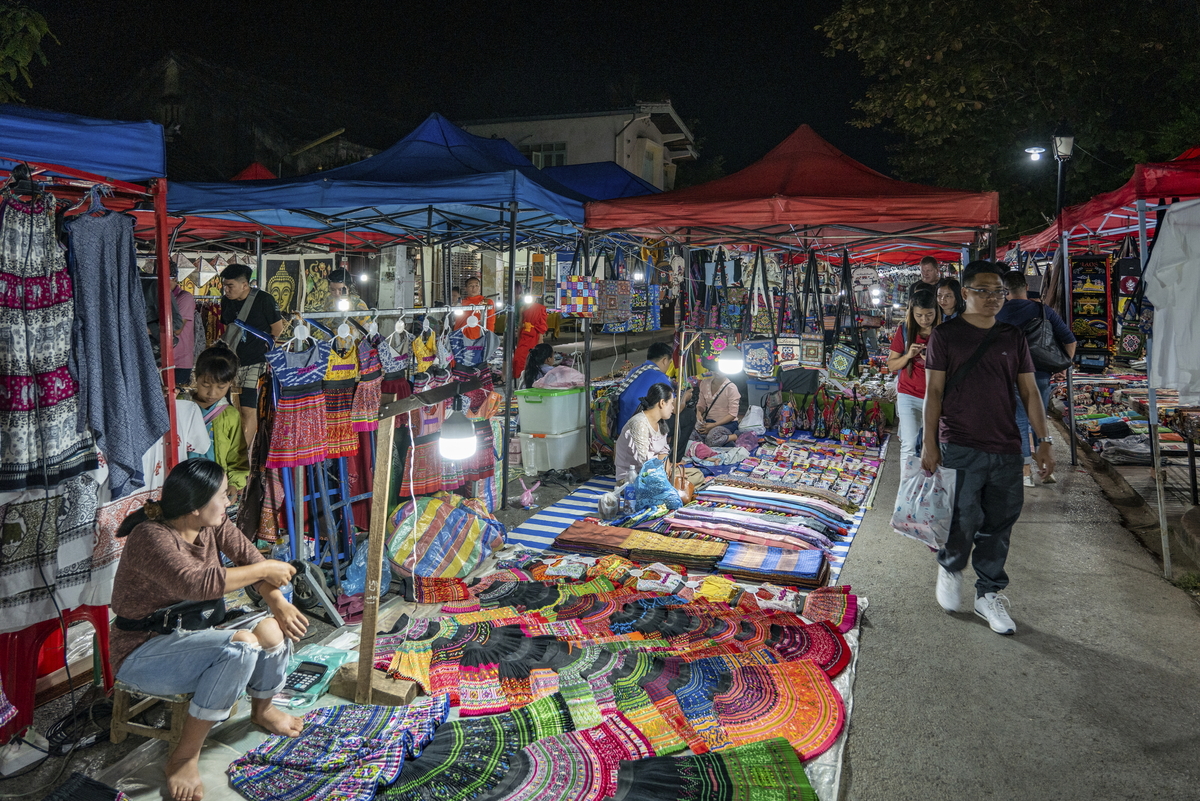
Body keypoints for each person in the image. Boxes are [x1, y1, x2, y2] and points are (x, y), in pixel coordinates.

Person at [109, 459, 309, 801]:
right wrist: (269, 568)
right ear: (195, 506)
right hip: (143, 650)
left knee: (273, 632)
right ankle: (184, 757)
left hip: (195, 633)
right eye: (222, 495)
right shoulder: (150, 537)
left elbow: (249, 560)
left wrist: (278, 603)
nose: (229, 501)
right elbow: (198, 584)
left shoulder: (213, 525)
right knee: (241, 646)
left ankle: (263, 711)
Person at [922, 260, 1055, 636]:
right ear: (965, 293)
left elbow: (1029, 391)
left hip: (1006, 445)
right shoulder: (945, 337)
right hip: (960, 442)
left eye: (998, 291)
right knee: (964, 518)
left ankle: (988, 593)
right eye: (982, 290)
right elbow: (934, 392)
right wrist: (930, 443)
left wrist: (1043, 442)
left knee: (999, 523)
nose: (992, 298)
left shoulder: (1012, 336)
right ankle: (950, 565)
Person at [996, 269, 1076, 486]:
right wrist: (1063, 365)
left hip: (1010, 374)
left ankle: (1025, 472)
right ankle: (1046, 469)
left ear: (1005, 291)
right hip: (1041, 373)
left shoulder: (998, 312)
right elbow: (1070, 340)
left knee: (1019, 419)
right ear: (1026, 288)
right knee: (1038, 417)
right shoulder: (1044, 310)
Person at [221, 263, 285, 449]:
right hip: (233, 361)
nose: (226, 289)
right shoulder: (225, 301)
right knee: (235, 407)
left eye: (230, 285)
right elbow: (228, 329)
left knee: (249, 408)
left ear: (245, 285)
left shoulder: (264, 300)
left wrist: (261, 350)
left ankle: (241, 453)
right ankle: (236, 445)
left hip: (256, 361)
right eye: (224, 285)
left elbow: (277, 330)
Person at [189, 347, 250, 499]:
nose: (212, 393)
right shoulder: (181, 406)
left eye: (221, 387)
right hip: (184, 483)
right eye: (206, 385)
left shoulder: (230, 415)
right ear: (196, 377)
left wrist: (234, 483)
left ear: (230, 383)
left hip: (215, 486)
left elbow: (237, 454)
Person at [887, 289, 939, 458]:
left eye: (929, 315)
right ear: (912, 313)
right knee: (909, 444)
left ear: (936, 311)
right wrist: (909, 356)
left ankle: (927, 482)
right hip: (908, 394)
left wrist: (932, 360)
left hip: (936, 396)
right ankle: (907, 485)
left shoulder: (945, 331)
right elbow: (891, 365)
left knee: (933, 445)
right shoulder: (904, 331)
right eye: (919, 315)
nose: (924, 320)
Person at [614, 382, 676, 483]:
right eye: (671, 403)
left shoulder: (660, 423)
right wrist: (665, 479)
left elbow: (663, 453)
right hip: (633, 478)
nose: (673, 408)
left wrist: (668, 473)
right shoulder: (639, 424)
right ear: (662, 403)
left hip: (655, 472)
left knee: (693, 475)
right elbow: (646, 462)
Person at [615, 342, 675, 435]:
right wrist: (685, 397)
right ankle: (671, 448)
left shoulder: (635, 371)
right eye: (669, 362)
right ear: (664, 360)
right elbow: (674, 407)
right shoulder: (659, 376)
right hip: (638, 430)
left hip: (620, 427)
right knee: (685, 415)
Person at [691, 370, 741, 447]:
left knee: (711, 438)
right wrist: (699, 413)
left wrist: (714, 425)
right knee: (691, 435)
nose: (717, 372)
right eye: (715, 369)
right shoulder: (705, 383)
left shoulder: (731, 388)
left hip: (728, 424)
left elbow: (732, 414)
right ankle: (722, 441)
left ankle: (735, 436)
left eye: (720, 370)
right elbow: (701, 404)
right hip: (709, 421)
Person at [171, 262, 196, 386]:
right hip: (161, 360)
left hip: (179, 362)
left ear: (174, 278)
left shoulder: (184, 297)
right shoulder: (157, 296)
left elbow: (176, 328)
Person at [512, 293, 548, 378]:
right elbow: (520, 324)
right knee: (519, 357)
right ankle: (520, 376)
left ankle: (533, 375)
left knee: (533, 356)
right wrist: (518, 338)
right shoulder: (522, 308)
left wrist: (541, 338)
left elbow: (542, 324)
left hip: (535, 335)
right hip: (524, 335)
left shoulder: (540, 308)